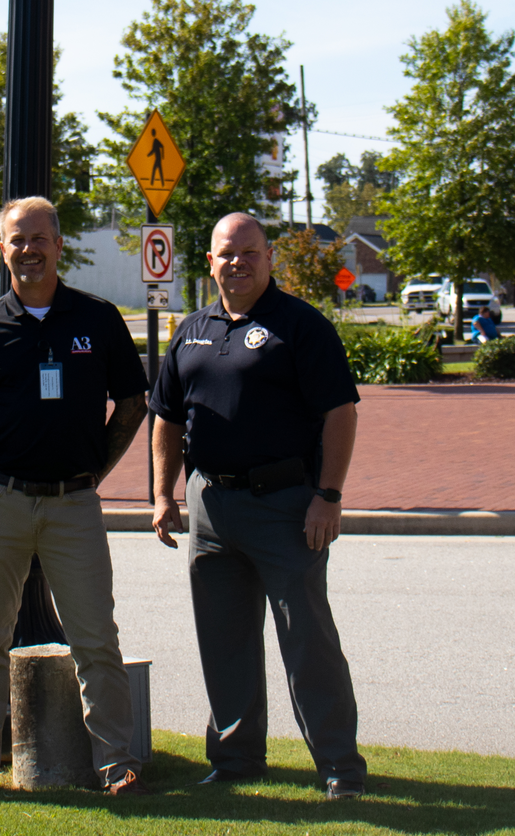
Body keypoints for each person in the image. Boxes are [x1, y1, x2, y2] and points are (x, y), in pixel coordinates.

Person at [150, 212, 369, 800]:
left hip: (287, 505)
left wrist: (328, 496)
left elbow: (340, 413)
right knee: (224, 641)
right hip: (210, 506)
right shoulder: (192, 329)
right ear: (211, 262)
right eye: (227, 253)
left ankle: (339, 768)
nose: (238, 262)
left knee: (307, 641)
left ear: (269, 257)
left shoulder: (301, 326)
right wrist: (163, 494)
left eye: (250, 252)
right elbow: (167, 417)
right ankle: (236, 759)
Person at [0, 196, 151, 796]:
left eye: (39, 239)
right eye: (16, 239)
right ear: (1, 248)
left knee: (95, 637)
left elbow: (132, 404)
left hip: (74, 504)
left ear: (60, 245)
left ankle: (116, 765)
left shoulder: (98, 318)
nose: (28, 250)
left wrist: (93, 471)